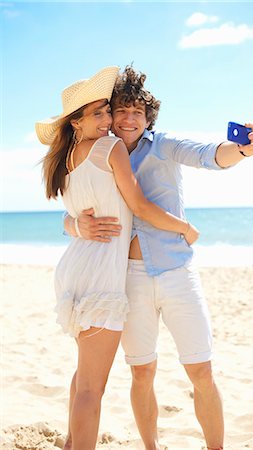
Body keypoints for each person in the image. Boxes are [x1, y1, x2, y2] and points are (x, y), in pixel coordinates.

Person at [64, 66, 253, 450]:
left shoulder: (165, 145)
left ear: (148, 117)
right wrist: (76, 225)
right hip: (128, 277)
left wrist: (240, 149)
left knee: (201, 370)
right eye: (120, 110)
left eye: (137, 112)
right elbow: (76, 202)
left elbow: (208, 155)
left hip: (176, 272)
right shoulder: (101, 152)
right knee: (142, 372)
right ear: (109, 115)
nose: (127, 118)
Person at [35, 66, 200, 450]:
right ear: (76, 122)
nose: (108, 120)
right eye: (98, 114)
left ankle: (70, 442)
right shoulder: (108, 149)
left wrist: (74, 225)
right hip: (101, 275)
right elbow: (139, 205)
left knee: (83, 375)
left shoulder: (66, 159)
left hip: (76, 267)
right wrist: (184, 228)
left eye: (106, 111)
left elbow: (75, 215)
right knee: (93, 388)